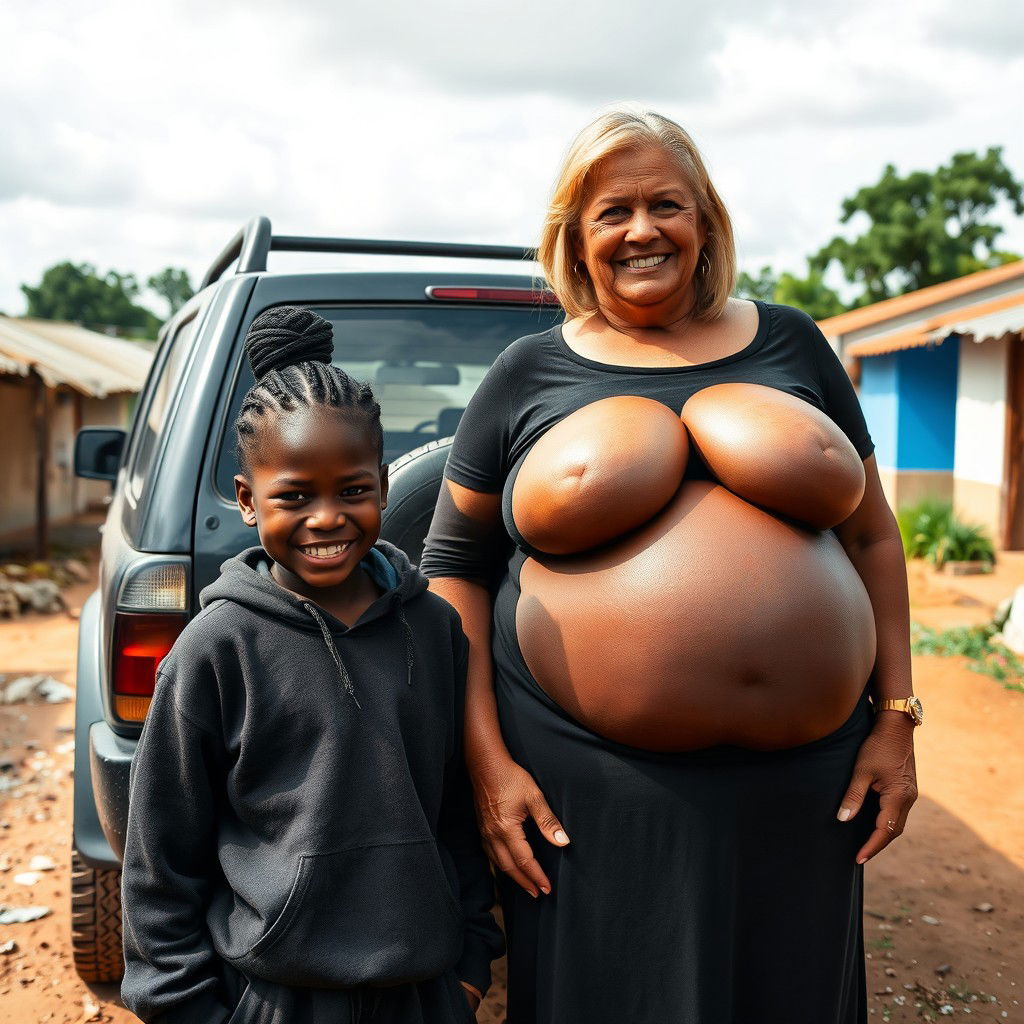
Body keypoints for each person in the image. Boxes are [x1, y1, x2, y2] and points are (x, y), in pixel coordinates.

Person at [420, 106, 919, 1024]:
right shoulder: (527, 373)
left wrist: (895, 722)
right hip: (591, 795)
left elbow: (874, 538)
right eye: (612, 211)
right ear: (575, 235)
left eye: (666, 205)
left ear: (706, 221)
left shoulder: (793, 345)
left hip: (803, 793)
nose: (641, 230)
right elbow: (453, 566)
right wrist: (486, 763)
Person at [121, 307, 503, 1024]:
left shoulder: (433, 628)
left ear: (386, 488)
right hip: (273, 998)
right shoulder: (216, 648)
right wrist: (187, 1009)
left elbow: (458, 811)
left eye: (352, 490)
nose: (326, 518)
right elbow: (160, 858)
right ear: (246, 501)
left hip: (423, 994)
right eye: (293, 496)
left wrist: (472, 963)